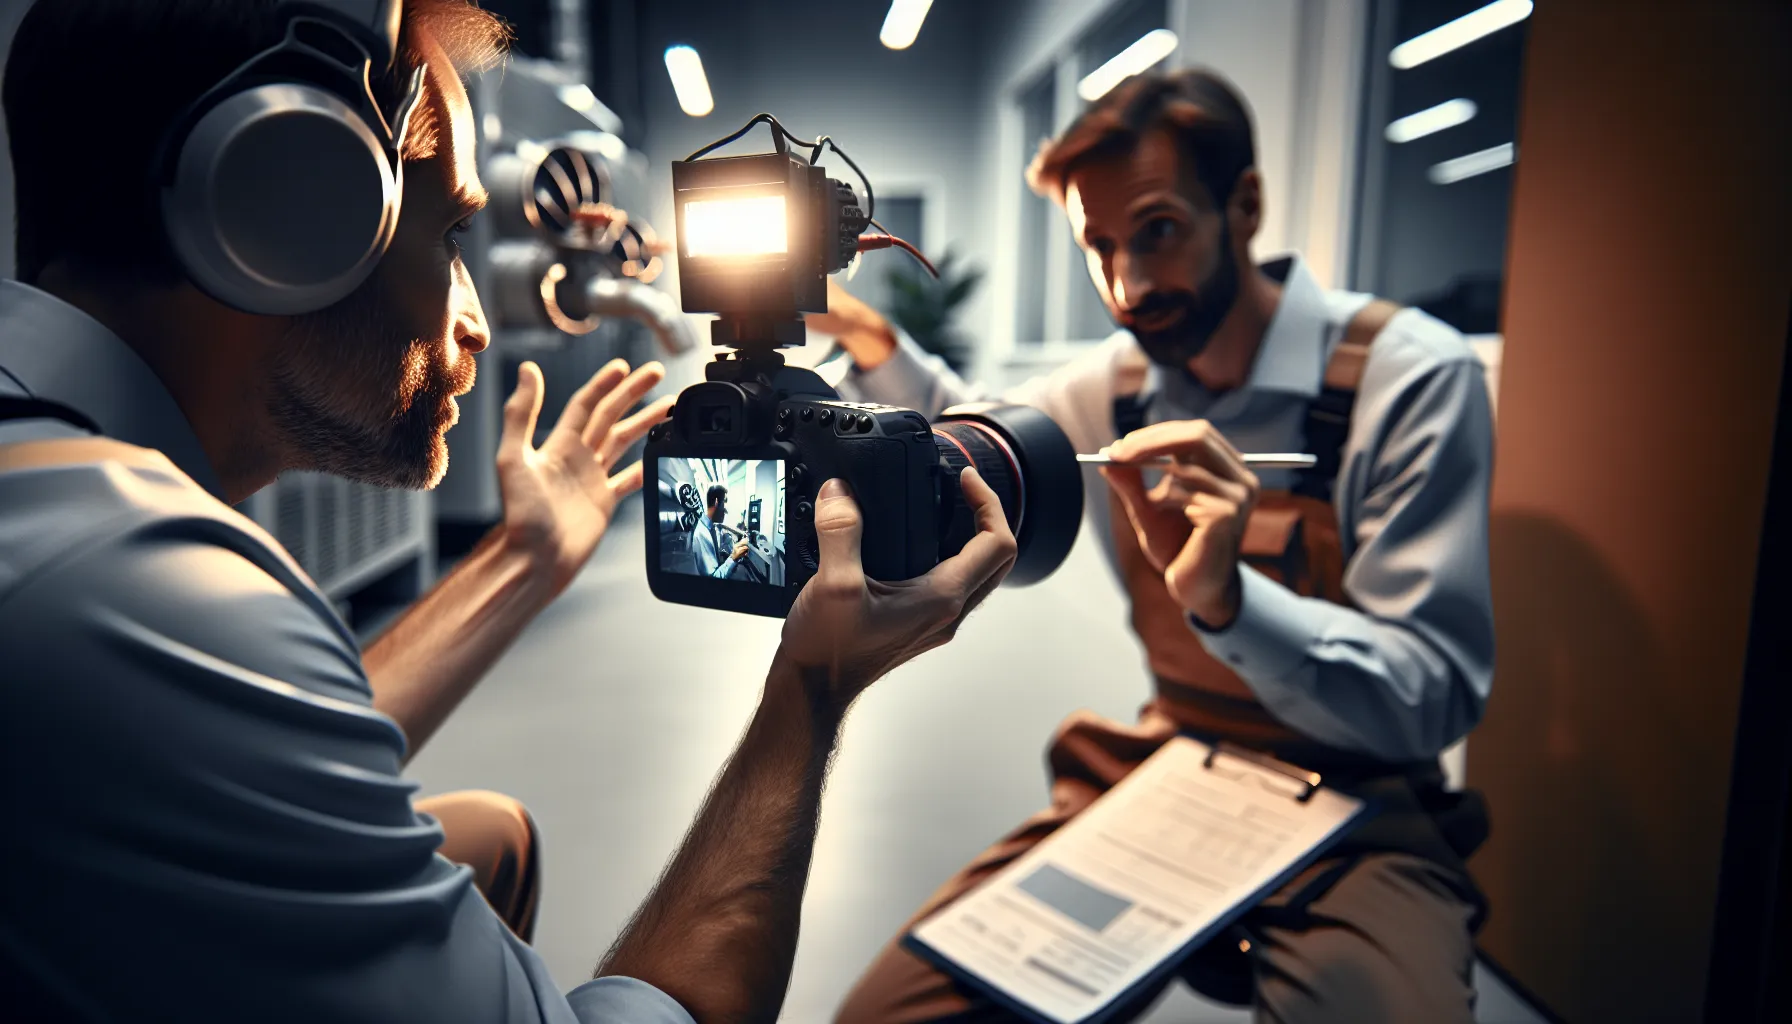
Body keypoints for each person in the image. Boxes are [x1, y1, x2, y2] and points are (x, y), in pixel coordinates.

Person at [0, 1, 1018, 1022]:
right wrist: (813, 686)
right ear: (282, 208)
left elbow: (232, 753)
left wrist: (519, 559)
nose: (480, 322)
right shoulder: (151, 590)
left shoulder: (61, 481)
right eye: (447, 236)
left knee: (489, 833)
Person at [814, 68, 1497, 1022]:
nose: (1130, 283)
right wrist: (868, 337)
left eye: (1160, 232)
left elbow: (1435, 698)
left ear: (1244, 205)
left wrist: (1234, 604)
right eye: (1101, 247)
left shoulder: (1409, 379)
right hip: (1174, 764)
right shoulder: (1114, 383)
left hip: (1360, 802)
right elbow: (968, 454)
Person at [694, 483, 753, 579]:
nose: (726, 511)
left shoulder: (713, 527)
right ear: (716, 502)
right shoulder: (701, 535)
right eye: (725, 502)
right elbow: (713, 578)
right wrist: (733, 557)